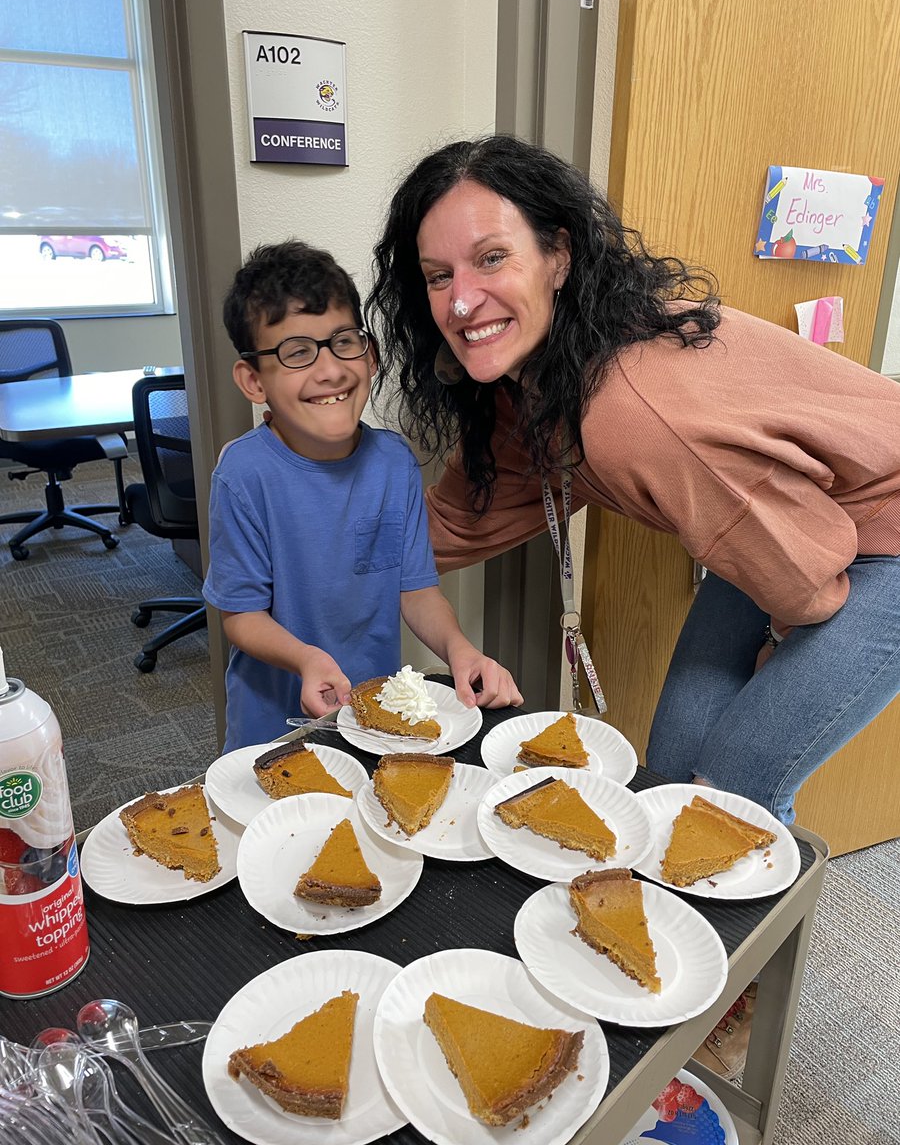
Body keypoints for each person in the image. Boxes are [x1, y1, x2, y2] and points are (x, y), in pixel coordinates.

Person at [366, 134, 900, 826]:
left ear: (558, 257)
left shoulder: (625, 412)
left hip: (873, 531)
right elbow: (457, 524)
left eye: (492, 258)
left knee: (728, 791)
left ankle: (734, 932)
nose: (462, 301)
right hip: (787, 522)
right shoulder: (531, 382)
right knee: (670, 776)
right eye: (439, 276)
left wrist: (780, 645)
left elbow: (809, 582)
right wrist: (319, 531)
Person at [203, 240, 521, 753]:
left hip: (375, 717)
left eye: (343, 342)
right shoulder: (243, 475)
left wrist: (460, 650)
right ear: (253, 380)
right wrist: (306, 659)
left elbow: (415, 591)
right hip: (274, 728)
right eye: (296, 352)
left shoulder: (394, 463)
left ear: (368, 355)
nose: (330, 370)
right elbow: (240, 615)